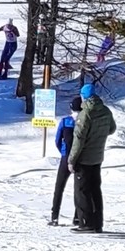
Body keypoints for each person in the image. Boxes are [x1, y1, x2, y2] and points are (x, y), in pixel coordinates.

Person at [69, 83, 116, 233]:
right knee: (95, 190)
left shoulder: (85, 113)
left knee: (82, 191)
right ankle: (97, 222)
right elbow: (112, 129)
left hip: (84, 158)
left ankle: (86, 223)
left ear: (83, 97)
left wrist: (71, 160)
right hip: (98, 157)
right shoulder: (105, 110)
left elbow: (78, 139)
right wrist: (99, 134)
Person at [49, 96, 81, 226]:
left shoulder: (65, 121)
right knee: (79, 189)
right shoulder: (85, 122)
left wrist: (63, 152)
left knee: (59, 187)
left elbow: (57, 140)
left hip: (65, 157)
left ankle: (54, 217)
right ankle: (77, 217)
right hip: (80, 158)